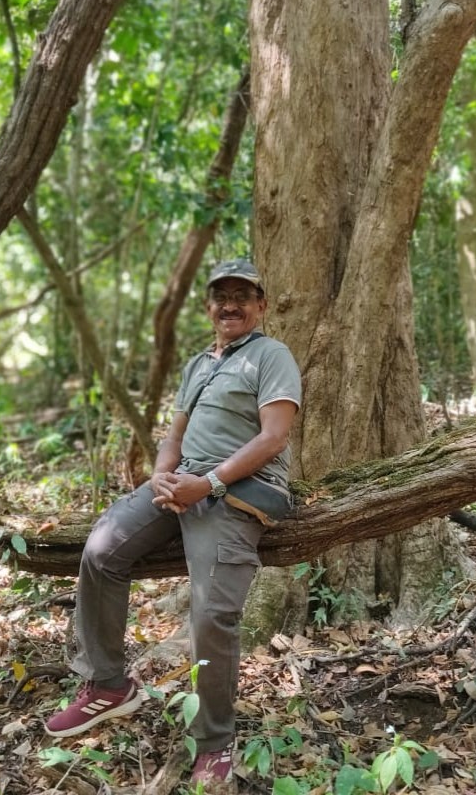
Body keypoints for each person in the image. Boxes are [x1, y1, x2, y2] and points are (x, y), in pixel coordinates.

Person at [44, 259, 302, 786]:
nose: (230, 304)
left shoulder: (271, 355)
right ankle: (109, 686)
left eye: (242, 296)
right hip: (180, 483)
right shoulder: (197, 364)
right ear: (208, 307)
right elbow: (174, 432)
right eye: (220, 296)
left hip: (235, 492)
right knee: (101, 551)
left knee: (211, 614)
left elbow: (274, 436)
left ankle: (215, 741)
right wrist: (163, 476)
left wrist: (208, 484)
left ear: (261, 306)